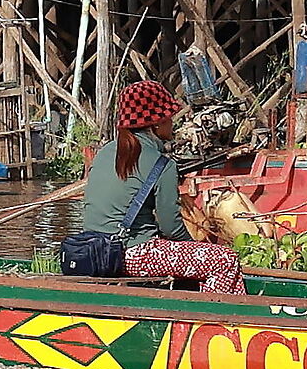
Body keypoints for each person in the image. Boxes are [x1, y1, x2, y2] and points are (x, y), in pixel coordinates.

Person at [77, 80, 243, 294]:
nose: (172, 122)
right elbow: (170, 226)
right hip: (132, 254)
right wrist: (193, 248)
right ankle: (211, 312)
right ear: (155, 124)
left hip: (95, 249)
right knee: (225, 260)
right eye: (169, 117)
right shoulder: (162, 164)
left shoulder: (104, 153)